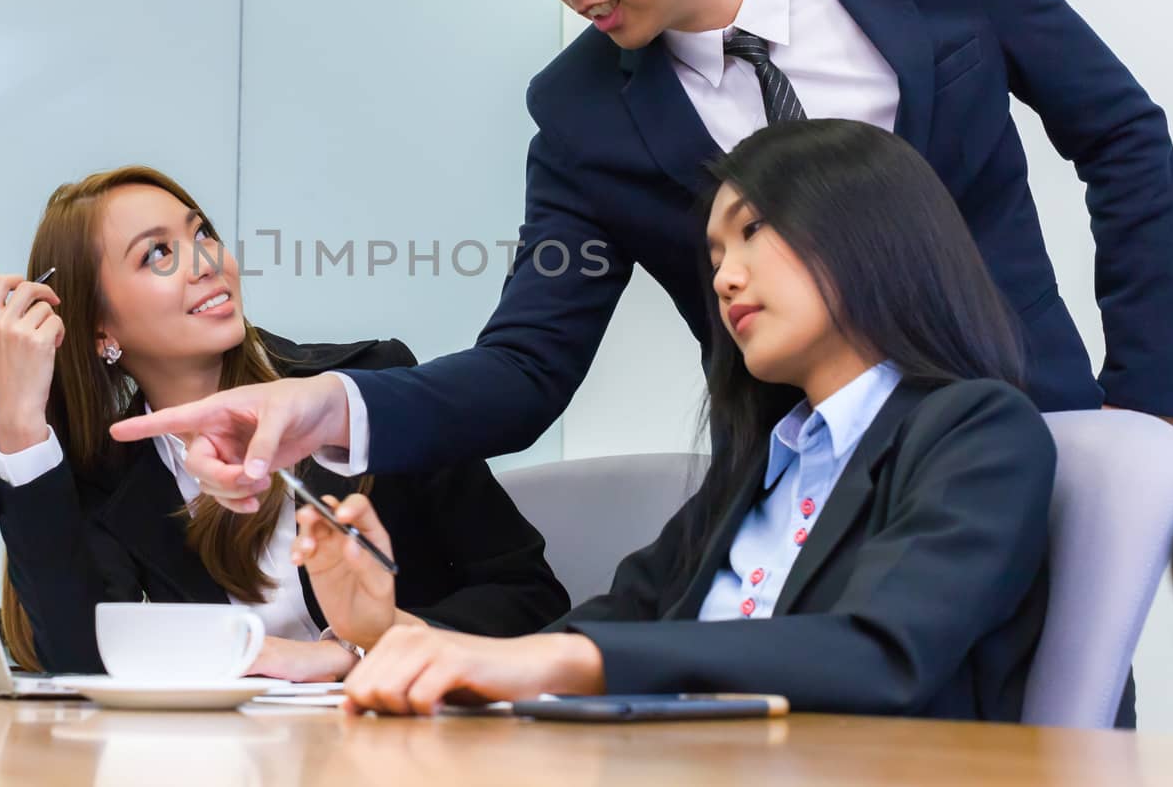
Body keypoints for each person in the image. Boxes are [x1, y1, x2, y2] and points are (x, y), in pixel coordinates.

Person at [108, 0, 1173, 504]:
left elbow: (1126, 140)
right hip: (814, 525)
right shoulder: (583, 118)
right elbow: (525, 367)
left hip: (1041, 460)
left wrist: (1141, 420)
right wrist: (328, 404)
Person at [293, 120, 1054, 719]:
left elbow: (884, 651)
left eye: (753, 230)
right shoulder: (762, 465)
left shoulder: (977, 428)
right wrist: (390, 632)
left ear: (869, 230)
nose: (723, 275)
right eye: (715, 250)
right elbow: (610, 622)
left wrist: (573, 664)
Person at [0, 166, 568, 678]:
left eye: (201, 232)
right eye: (157, 253)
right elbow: (81, 660)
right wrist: (20, 424)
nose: (206, 262)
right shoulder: (108, 477)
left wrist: (352, 651)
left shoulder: (368, 391)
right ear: (103, 330)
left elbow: (532, 601)